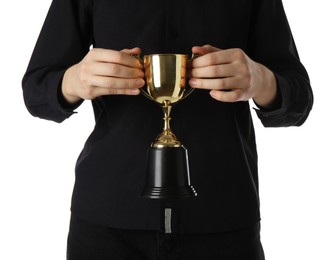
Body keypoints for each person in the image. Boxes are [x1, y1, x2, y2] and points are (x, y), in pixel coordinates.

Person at [22, 0, 313, 259]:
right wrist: (72, 81)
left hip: (223, 218)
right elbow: (36, 91)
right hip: (107, 222)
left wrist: (263, 81)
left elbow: (299, 100)